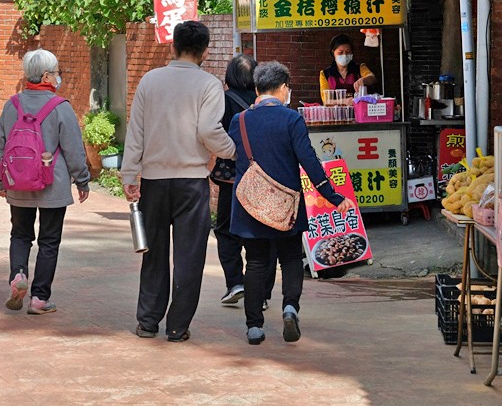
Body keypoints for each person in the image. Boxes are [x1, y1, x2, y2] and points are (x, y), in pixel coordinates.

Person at [121, 20, 236, 343]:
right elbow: (209, 132)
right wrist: (232, 150)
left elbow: (136, 132)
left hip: (155, 181)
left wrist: (130, 175)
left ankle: (147, 322)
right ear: (204, 51)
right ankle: (177, 326)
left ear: (173, 46)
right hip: (191, 183)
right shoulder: (209, 85)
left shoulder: (150, 80)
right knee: (189, 256)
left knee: (154, 254)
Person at [229, 61, 354, 345]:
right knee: (290, 258)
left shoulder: (240, 121)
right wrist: (334, 198)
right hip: (287, 205)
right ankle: (289, 308)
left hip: (252, 207)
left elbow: (230, 157)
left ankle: (254, 327)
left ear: (257, 88)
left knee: (257, 262)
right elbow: (309, 162)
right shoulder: (291, 119)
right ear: (283, 88)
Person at [0, 49, 90, 315]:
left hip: (18, 183)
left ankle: (18, 275)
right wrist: (82, 180)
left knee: (20, 234)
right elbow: (73, 149)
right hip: (52, 185)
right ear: (47, 75)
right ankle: (39, 299)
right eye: (57, 72)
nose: (59, 77)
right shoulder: (61, 107)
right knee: (49, 241)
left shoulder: (13, 105)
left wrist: (0, 179)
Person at [212, 54, 277, 308]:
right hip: (265, 178)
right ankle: (260, 293)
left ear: (229, 76)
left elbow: (213, 132)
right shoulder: (267, 103)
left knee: (227, 231)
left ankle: (236, 283)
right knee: (263, 233)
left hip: (232, 178)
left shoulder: (223, 102)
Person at [319, 33, 377, 103]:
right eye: (340, 53)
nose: (344, 55)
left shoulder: (360, 68)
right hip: (336, 112)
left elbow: (372, 78)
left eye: (348, 52)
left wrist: (364, 80)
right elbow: (326, 101)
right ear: (333, 52)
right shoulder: (325, 74)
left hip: (359, 111)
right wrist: (344, 101)